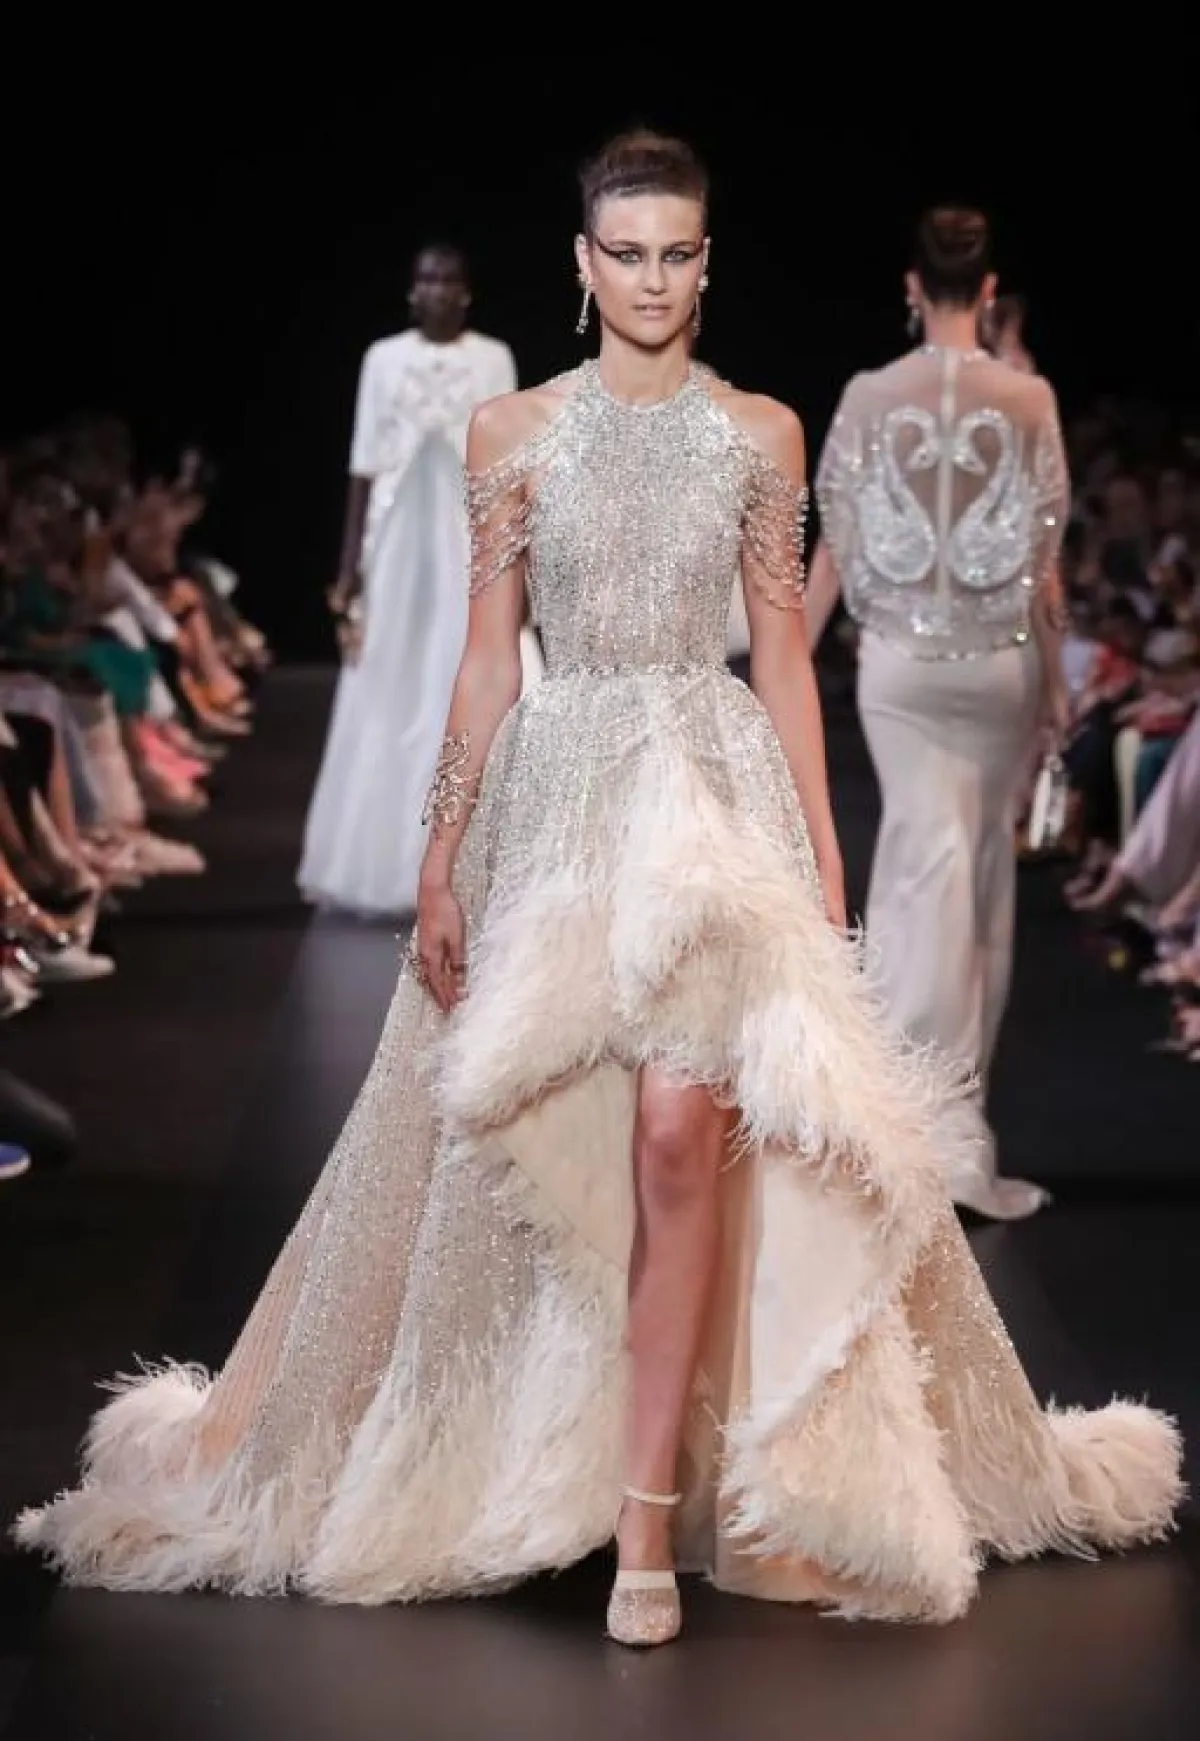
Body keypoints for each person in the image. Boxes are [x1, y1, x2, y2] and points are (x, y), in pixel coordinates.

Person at [18, 136, 1181, 1646]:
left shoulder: (761, 434)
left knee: (684, 1134)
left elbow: (782, 658)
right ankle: (537, 1453)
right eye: (625, 252)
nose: (650, 278)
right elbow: (486, 658)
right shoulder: (511, 432)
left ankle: (644, 1519)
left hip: (708, 801)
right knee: (535, 1147)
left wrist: (824, 859)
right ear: (582, 263)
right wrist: (440, 852)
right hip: (556, 808)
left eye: (676, 253)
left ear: (706, 261)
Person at [805, 207, 1074, 1224]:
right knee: (975, 877)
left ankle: (902, 1130)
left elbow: (836, 547)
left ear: (911, 287)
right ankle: (942, 1131)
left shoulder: (870, 395)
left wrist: (784, 661)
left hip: (902, 673)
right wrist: (1059, 688)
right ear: (989, 290)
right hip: (997, 669)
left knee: (924, 866)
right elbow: (1042, 560)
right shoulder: (1029, 398)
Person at [297, 244, 526, 917]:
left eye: (450, 279)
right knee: (390, 680)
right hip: (395, 543)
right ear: (412, 290)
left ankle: (487, 864)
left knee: (468, 668)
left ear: (467, 292)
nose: (438, 289)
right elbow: (363, 466)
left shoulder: (494, 358)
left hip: (468, 534)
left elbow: (511, 466)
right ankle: (386, 860)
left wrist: (520, 557)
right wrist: (348, 571)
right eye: (427, 278)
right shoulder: (383, 359)